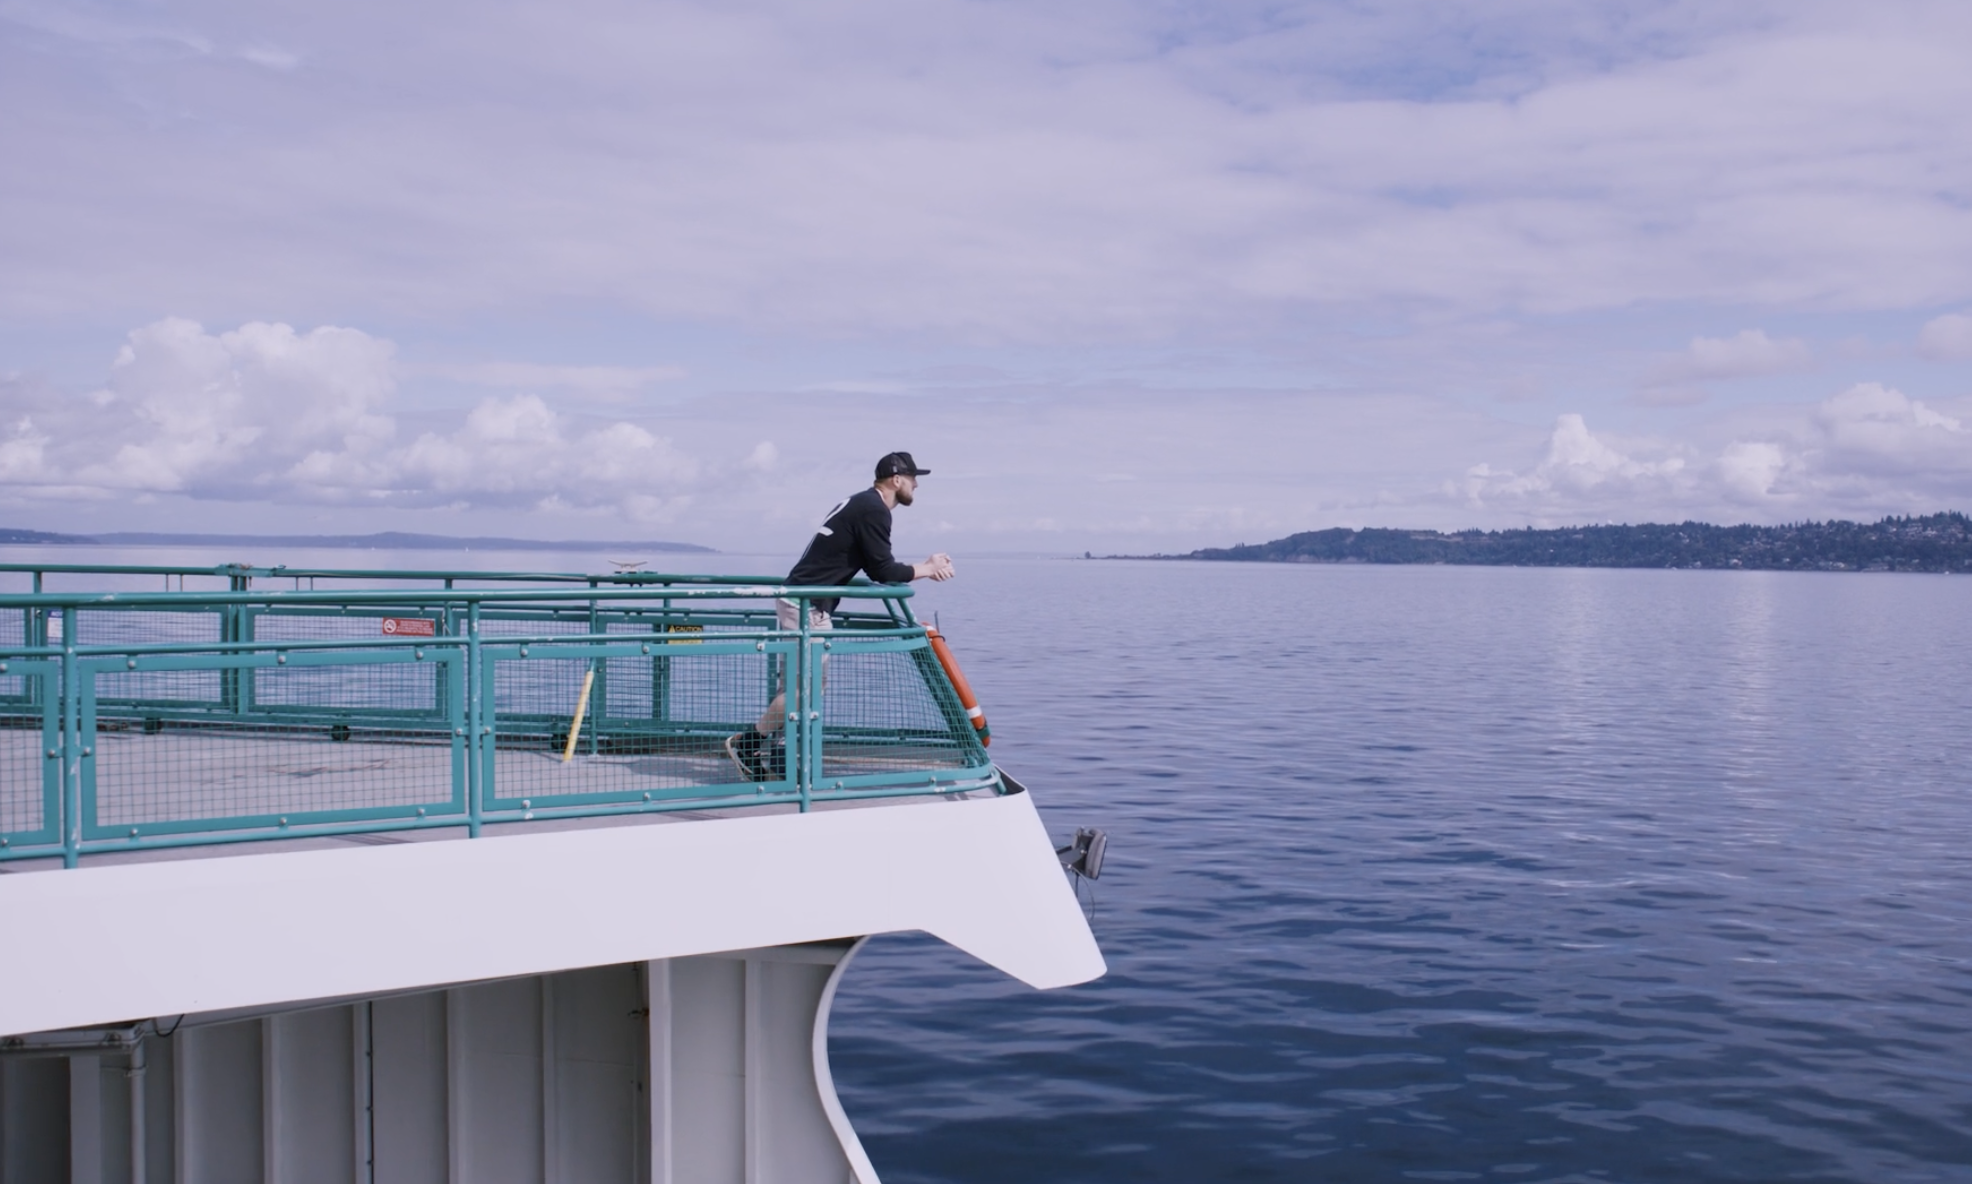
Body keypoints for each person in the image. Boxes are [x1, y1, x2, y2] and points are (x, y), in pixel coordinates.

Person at [725, 451, 955, 780]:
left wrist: (924, 569)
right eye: (912, 478)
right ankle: (748, 745)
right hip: (806, 607)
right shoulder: (874, 509)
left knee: (798, 689)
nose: (916, 485)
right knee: (805, 691)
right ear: (896, 479)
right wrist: (928, 568)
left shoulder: (862, 503)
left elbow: (875, 565)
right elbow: (884, 570)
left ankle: (775, 755)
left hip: (802, 602)